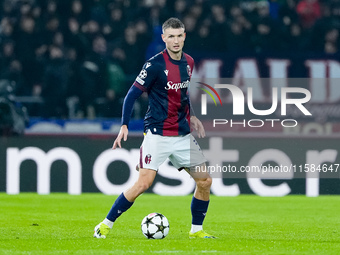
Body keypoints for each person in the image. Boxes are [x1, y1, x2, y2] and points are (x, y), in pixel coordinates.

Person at [93, 17, 215, 239]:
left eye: (179, 36)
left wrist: (193, 116)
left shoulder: (189, 62)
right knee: (143, 183)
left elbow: (183, 95)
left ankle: (196, 231)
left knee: (205, 181)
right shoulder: (155, 64)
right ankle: (105, 224)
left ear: (184, 36)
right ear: (164, 38)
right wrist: (124, 124)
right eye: (171, 36)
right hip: (157, 133)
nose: (175, 40)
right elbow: (132, 94)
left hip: (181, 134)